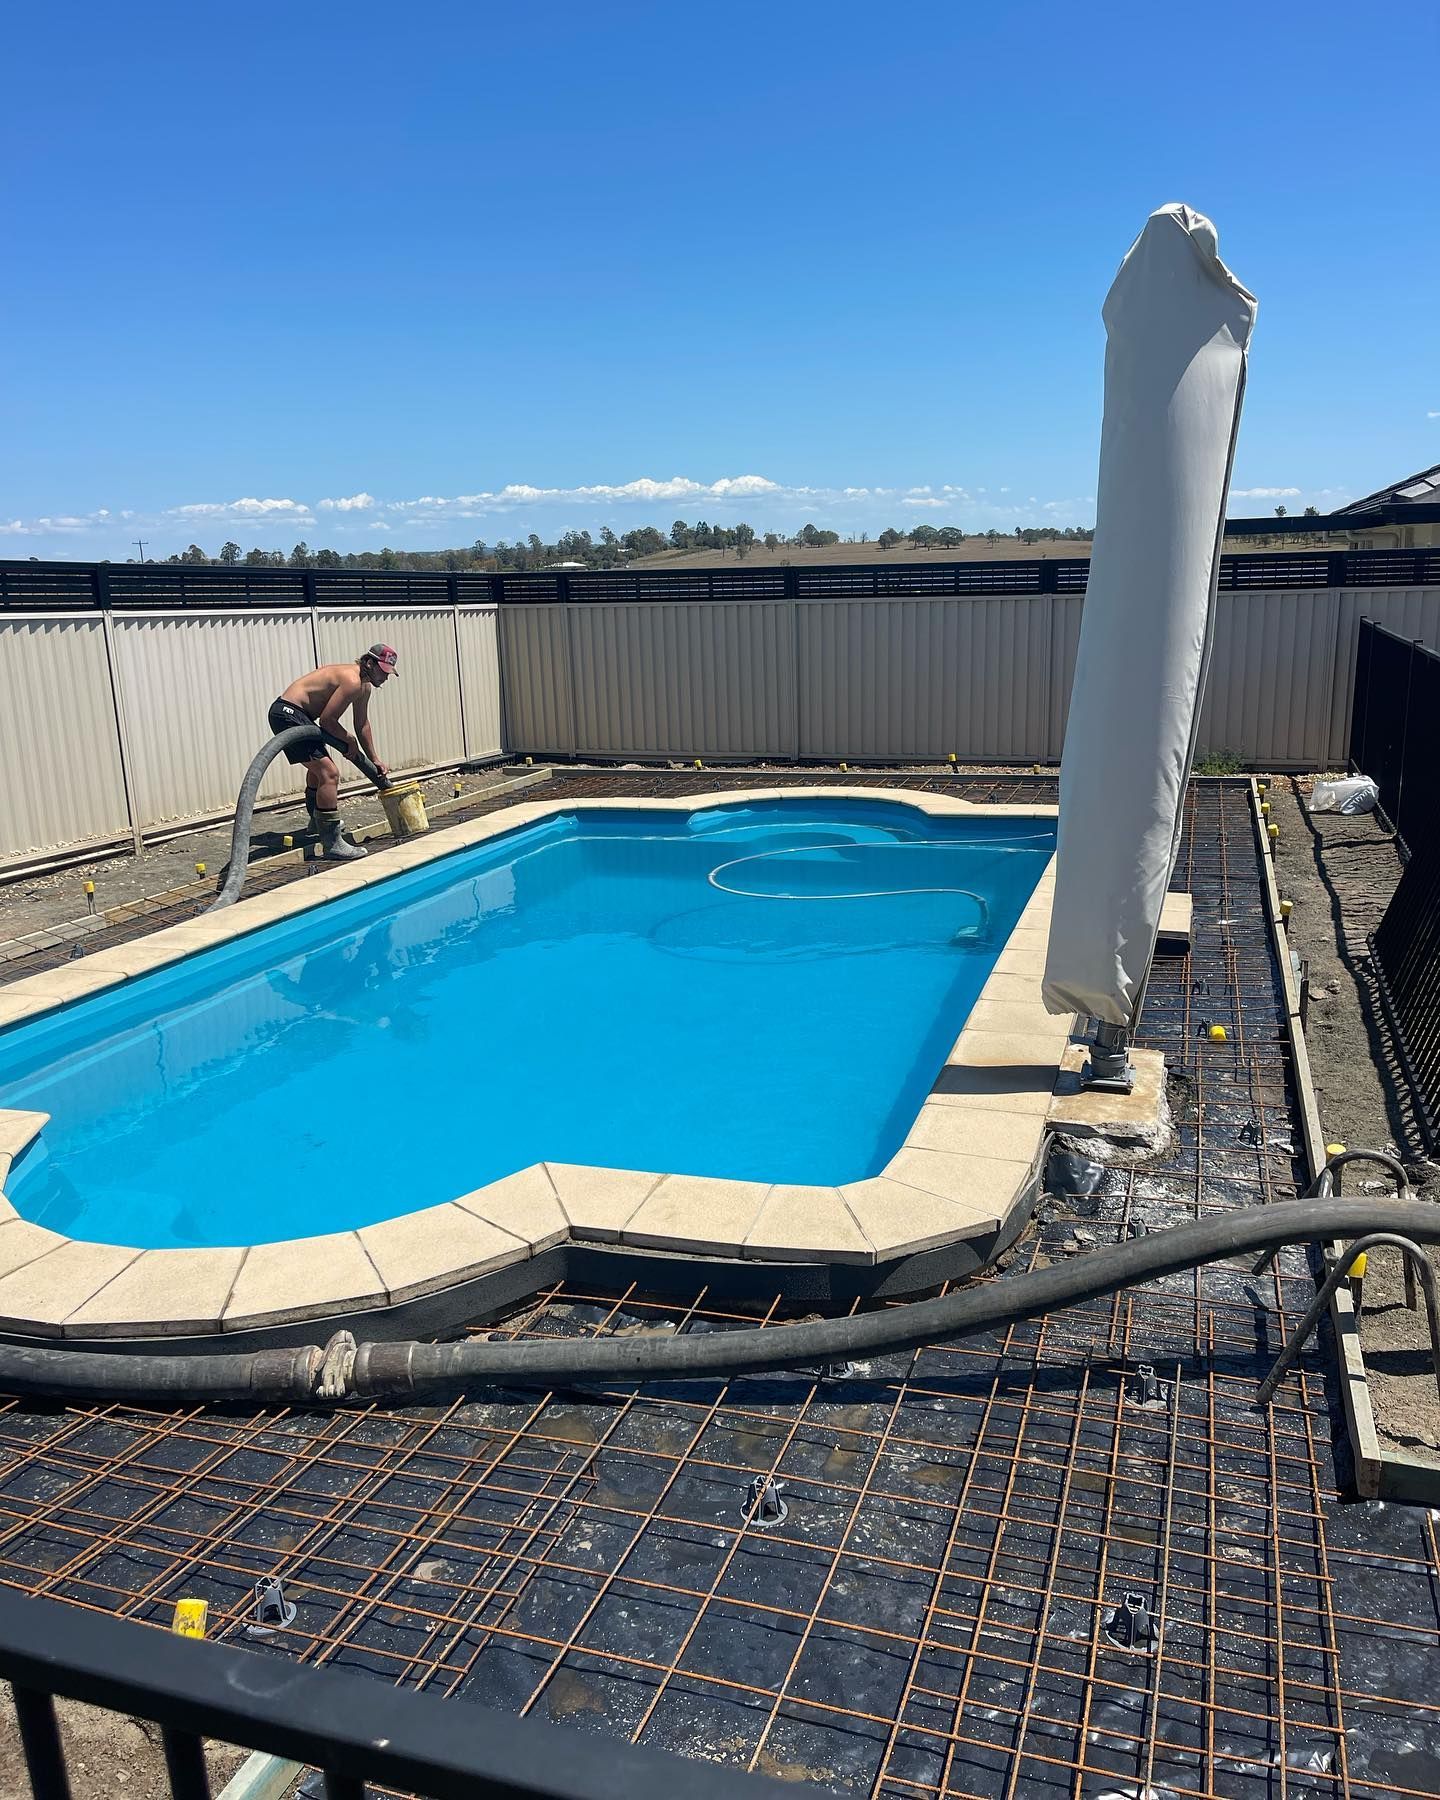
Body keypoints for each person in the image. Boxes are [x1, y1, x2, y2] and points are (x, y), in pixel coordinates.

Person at [267, 645, 398, 860]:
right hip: (287, 713)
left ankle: (316, 822)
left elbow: (362, 724)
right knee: (329, 773)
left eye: (388, 673)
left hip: (299, 716)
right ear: (369, 663)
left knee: (319, 770)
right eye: (382, 671)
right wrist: (348, 740)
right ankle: (332, 843)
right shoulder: (353, 680)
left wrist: (375, 759)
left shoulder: (364, 686)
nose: (385, 677)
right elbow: (328, 721)